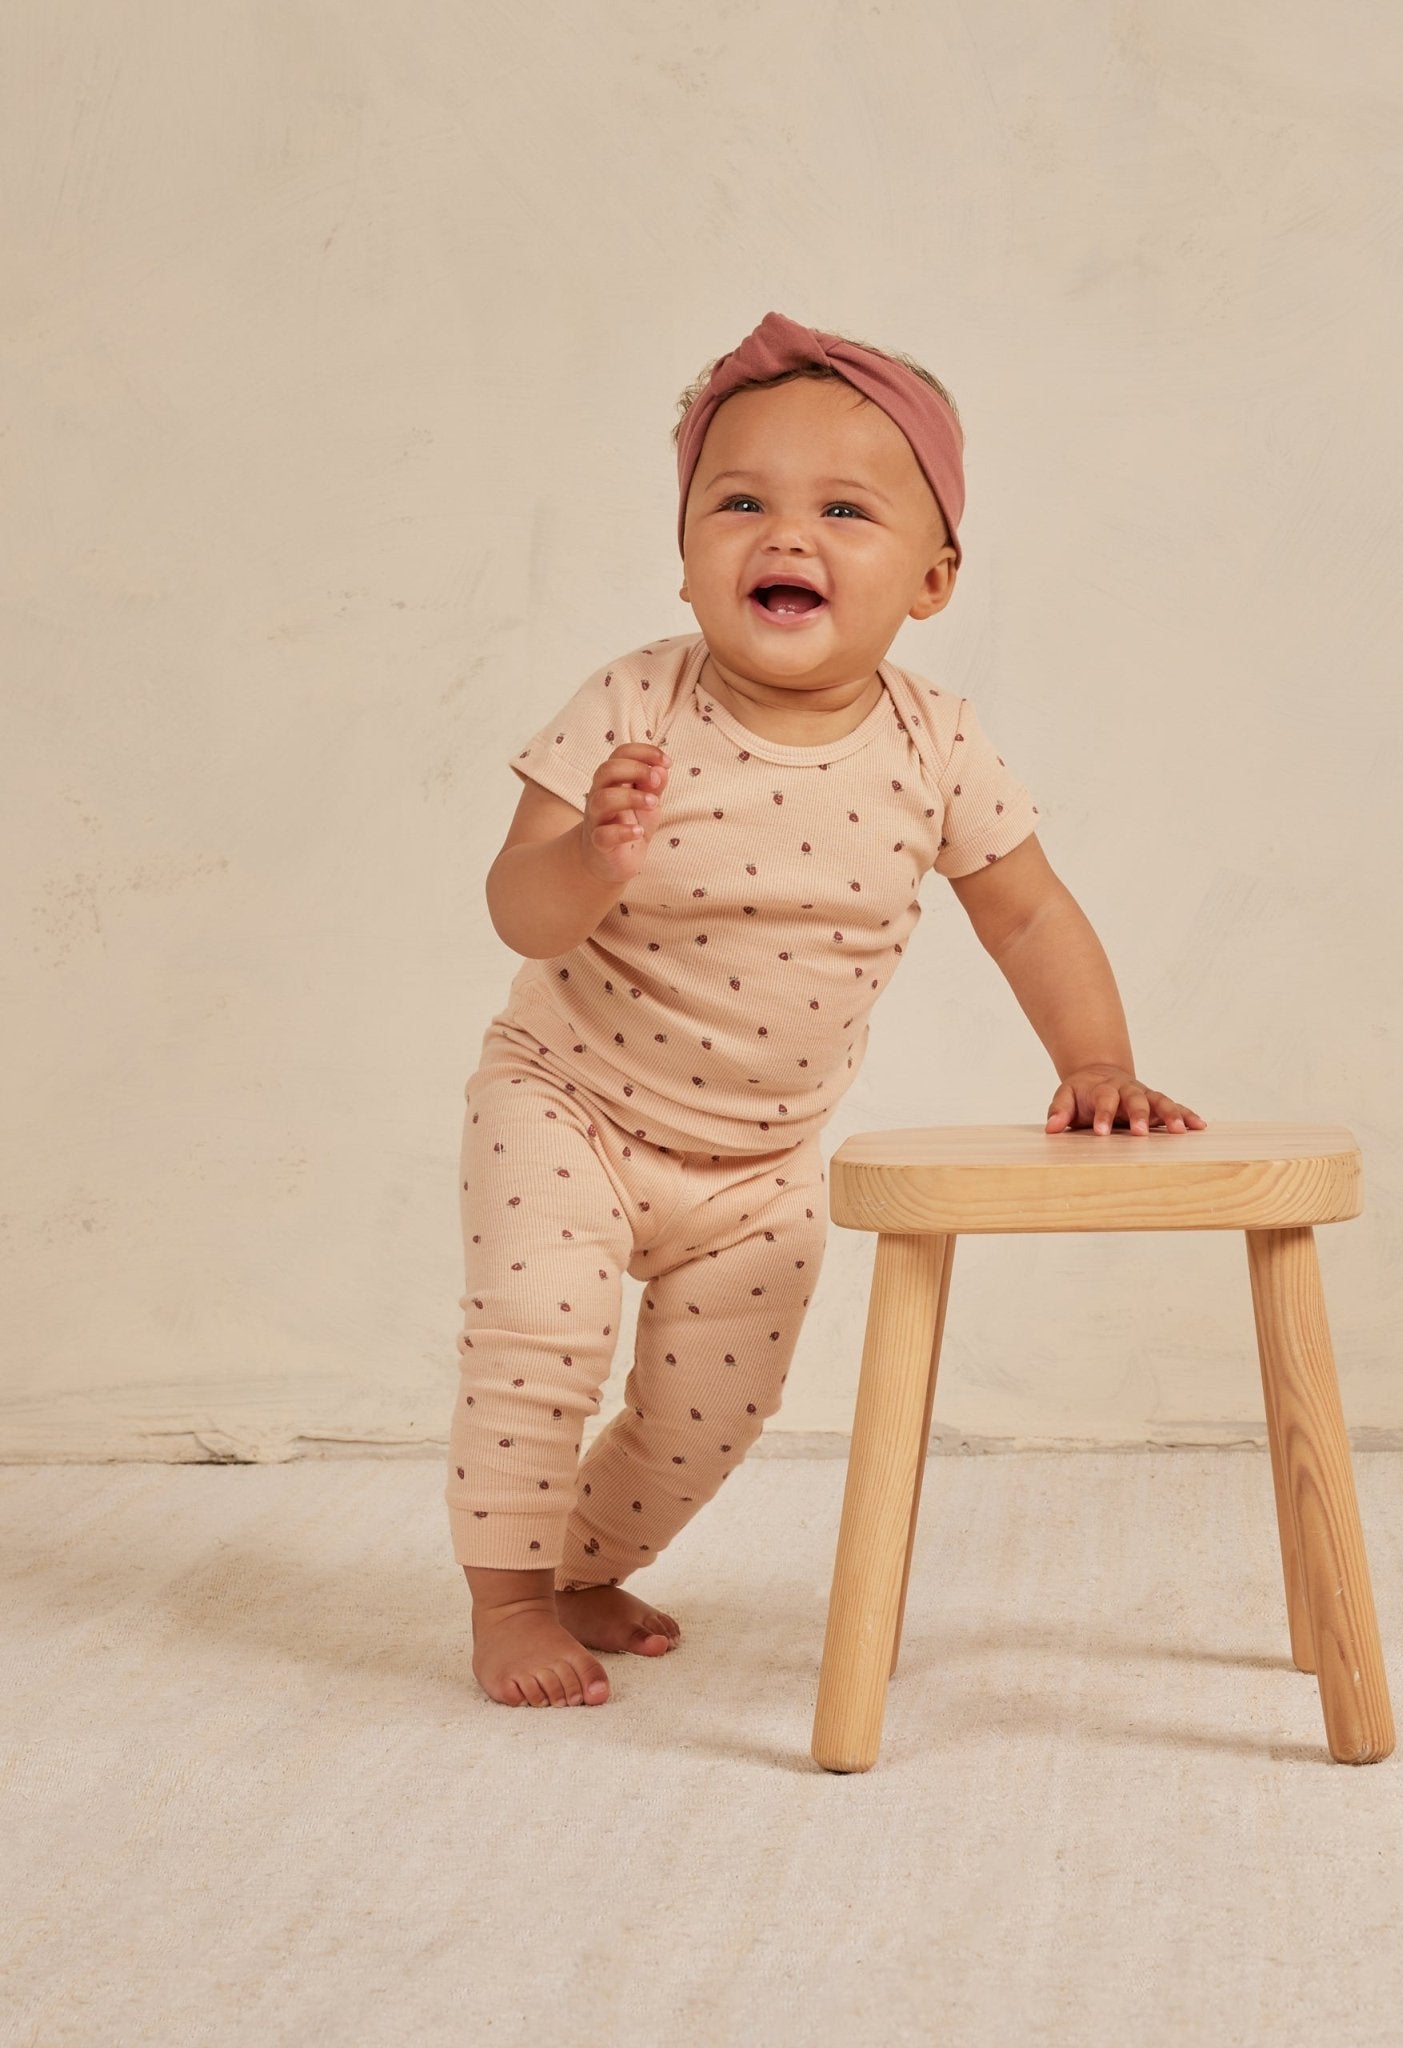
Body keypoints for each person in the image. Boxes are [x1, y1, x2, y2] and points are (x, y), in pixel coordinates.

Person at [452, 310, 1207, 1708]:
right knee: (539, 1331)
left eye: (842, 511)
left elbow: (1027, 911)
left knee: (704, 1414)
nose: (783, 536)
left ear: (929, 577)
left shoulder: (938, 743)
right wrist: (586, 859)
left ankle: (584, 1564)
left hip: (759, 1163)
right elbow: (514, 907)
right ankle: (504, 1603)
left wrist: (1097, 1059)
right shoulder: (629, 706)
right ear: (684, 555)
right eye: (737, 501)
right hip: (566, 1103)